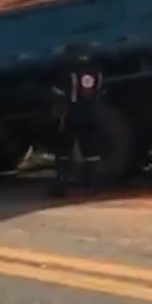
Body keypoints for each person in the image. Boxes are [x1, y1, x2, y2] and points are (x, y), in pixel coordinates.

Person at [48, 49, 104, 198]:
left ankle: (61, 185)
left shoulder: (68, 72)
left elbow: (58, 94)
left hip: (71, 115)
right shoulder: (96, 73)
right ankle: (93, 184)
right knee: (91, 150)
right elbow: (100, 93)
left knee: (64, 150)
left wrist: (56, 114)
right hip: (91, 114)